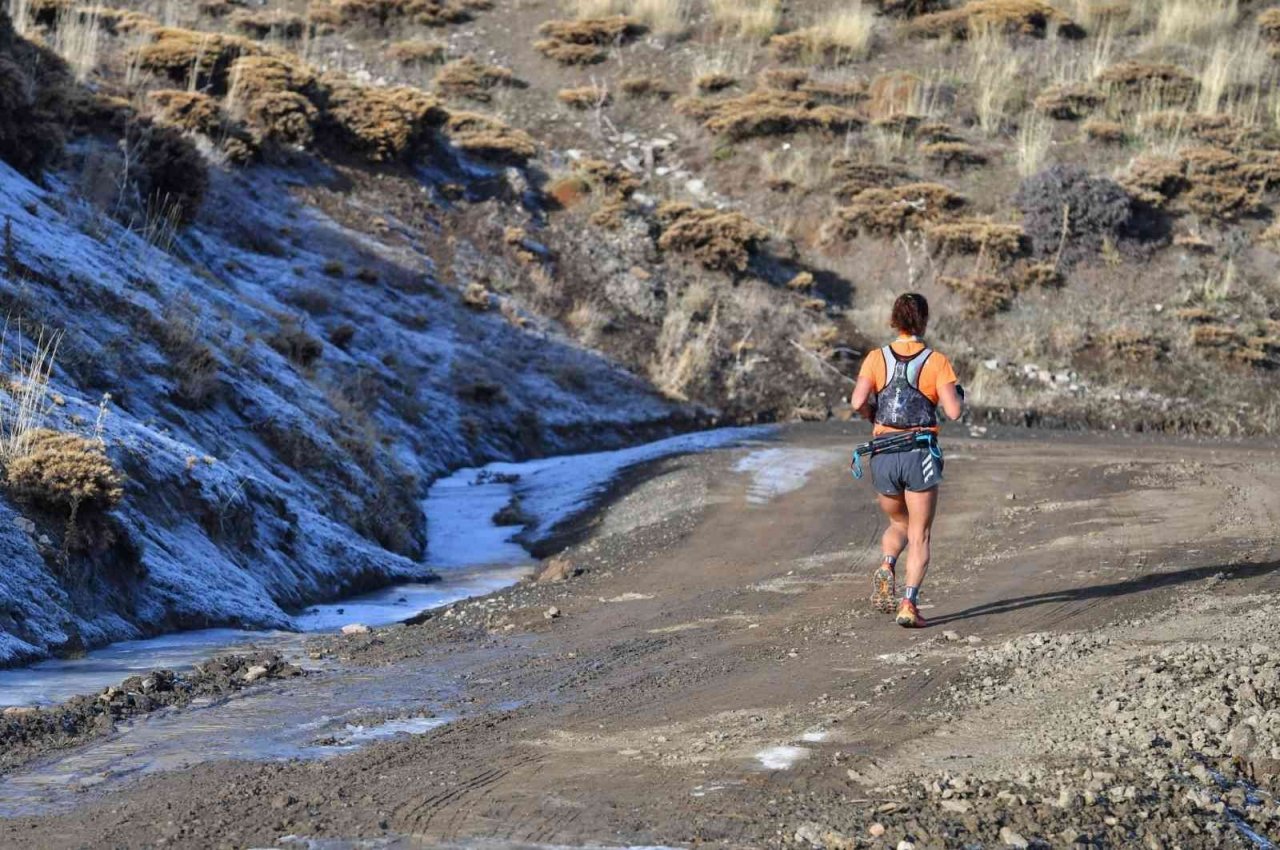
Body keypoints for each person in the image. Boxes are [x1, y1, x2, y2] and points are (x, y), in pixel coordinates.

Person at [849, 293, 963, 629]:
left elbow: (857, 401)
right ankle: (909, 604)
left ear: (894, 320)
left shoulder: (875, 357)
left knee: (899, 523)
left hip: (883, 453)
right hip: (918, 454)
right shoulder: (936, 361)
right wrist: (956, 396)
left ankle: (887, 564)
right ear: (923, 321)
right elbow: (953, 412)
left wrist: (873, 414)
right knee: (919, 534)